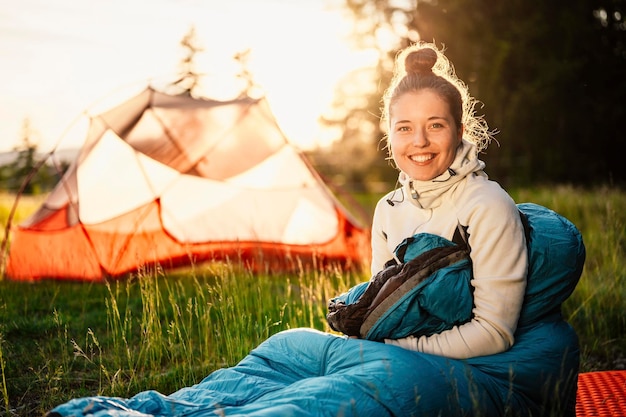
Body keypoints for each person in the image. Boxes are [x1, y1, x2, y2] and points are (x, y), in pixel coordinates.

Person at [47, 42, 583, 417]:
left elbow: (495, 333)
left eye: (435, 125)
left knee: (348, 392)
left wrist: (400, 353)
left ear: (459, 130)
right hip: (406, 353)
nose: (419, 142)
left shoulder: (485, 204)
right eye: (404, 128)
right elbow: (387, 307)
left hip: (490, 374)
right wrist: (379, 340)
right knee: (290, 346)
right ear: (389, 134)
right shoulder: (391, 208)